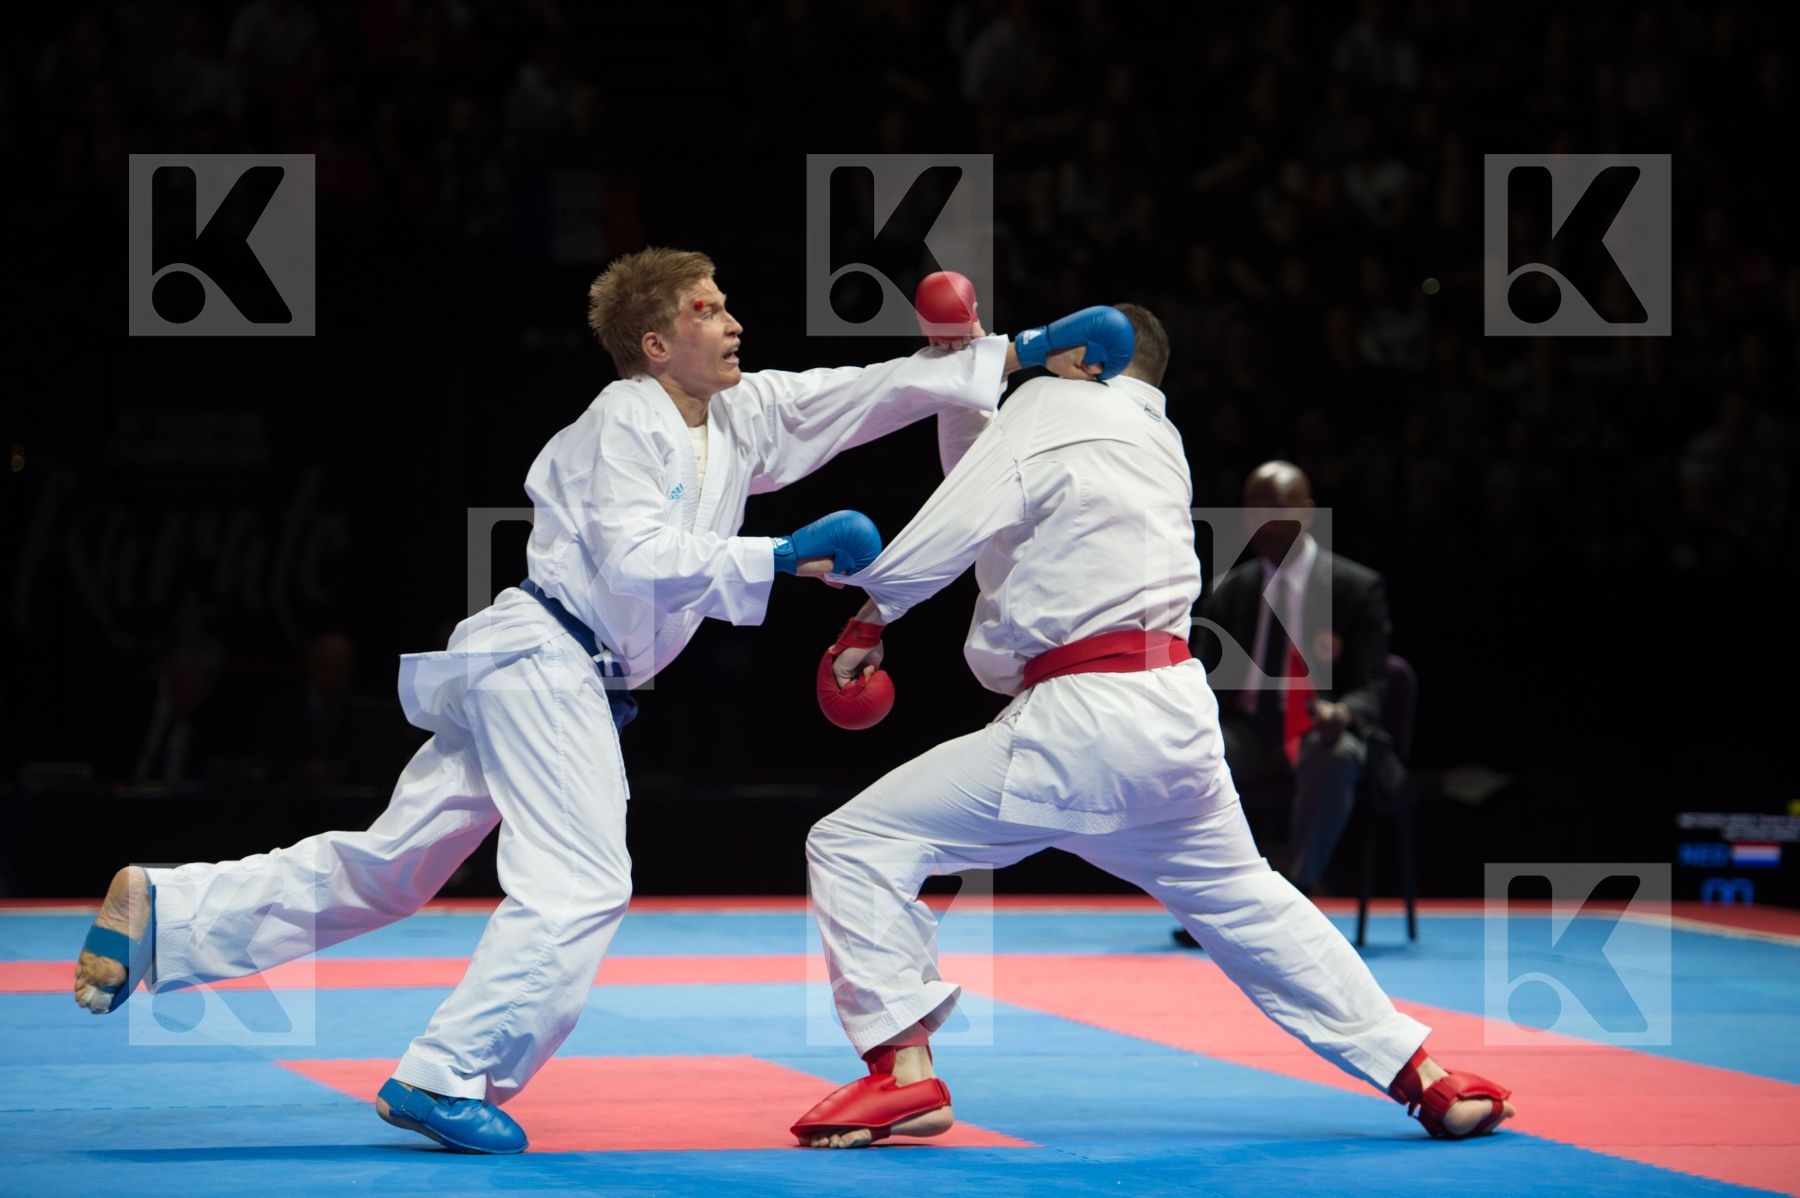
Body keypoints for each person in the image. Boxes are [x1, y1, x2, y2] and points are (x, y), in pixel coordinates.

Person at [73, 247, 1125, 1154]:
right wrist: (782, 554)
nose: (735, 320)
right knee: (580, 880)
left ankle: (163, 914)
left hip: (554, 671)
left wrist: (1018, 351)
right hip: (548, 659)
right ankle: (449, 1071)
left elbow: (860, 392)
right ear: (654, 342)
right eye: (708, 308)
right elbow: (636, 558)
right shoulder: (624, 418)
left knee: (394, 869)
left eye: (727, 303)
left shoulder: (736, 413)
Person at [792, 304, 1512, 1148]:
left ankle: (901, 1077)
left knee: (852, 844)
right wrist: (963, 383)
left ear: (1082, 360)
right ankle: (1424, 1078)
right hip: (1173, 722)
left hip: (1079, 724)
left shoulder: (1050, 409)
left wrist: (870, 619)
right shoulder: (1151, 438)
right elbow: (992, 491)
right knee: (1254, 907)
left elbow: (961, 513)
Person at [1194, 460, 1393, 897]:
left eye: (1273, 506)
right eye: (1251, 507)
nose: (1259, 518)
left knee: (1337, 754)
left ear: (1305, 512)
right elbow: (1199, 677)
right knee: (1194, 753)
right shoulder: (1229, 589)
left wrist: (1342, 712)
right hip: (1247, 730)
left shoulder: (1356, 588)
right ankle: (1216, 899)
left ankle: (1297, 893)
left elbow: (1374, 686)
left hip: (1315, 728)